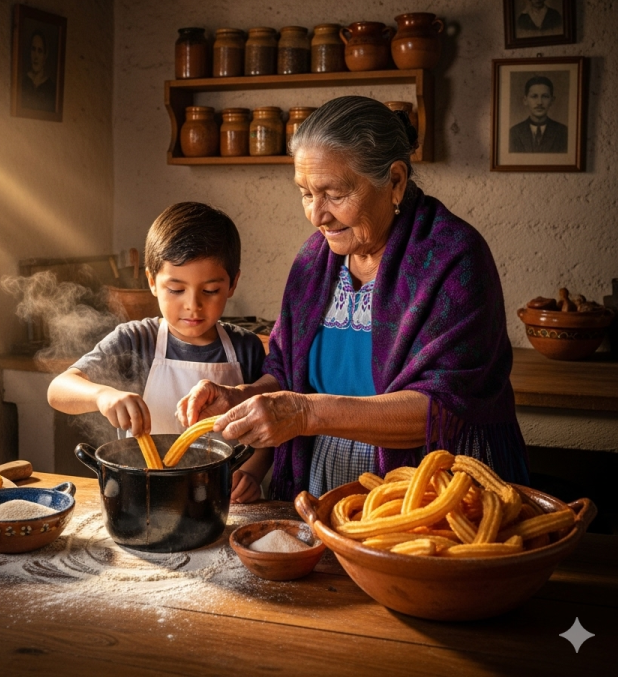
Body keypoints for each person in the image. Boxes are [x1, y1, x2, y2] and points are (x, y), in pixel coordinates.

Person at [177, 96, 529, 500]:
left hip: (438, 489)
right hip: (325, 483)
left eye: (334, 193)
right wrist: (241, 396)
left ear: (394, 181)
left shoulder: (454, 258)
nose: (316, 215)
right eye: (306, 193)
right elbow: (288, 374)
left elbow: (443, 407)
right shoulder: (313, 260)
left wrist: (304, 413)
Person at [47, 202, 270, 503]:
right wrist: (102, 396)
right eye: (176, 290)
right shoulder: (135, 340)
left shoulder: (247, 349)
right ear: (152, 282)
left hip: (220, 499)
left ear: (232, 284)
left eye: (211, 290)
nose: (193, 305)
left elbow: (267, 430)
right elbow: (58, 389)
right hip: (145, 498)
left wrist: (252, 474)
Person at [509, 76, 568, 153]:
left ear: (552, 100)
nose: (539, 102)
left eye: (545, 96)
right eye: (534, 96)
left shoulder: (563, 132)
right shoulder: (514, 132)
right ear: (525, 100)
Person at [21, 30, 57, 112]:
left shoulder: (51, 88)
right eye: (33, 49)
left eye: (40, 51)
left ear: (45, 55)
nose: (36, 56)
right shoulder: (23, 82)